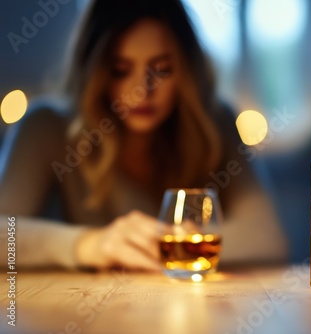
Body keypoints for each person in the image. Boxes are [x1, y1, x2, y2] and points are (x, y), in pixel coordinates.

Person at [0, 0, 287, 271]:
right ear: (95, 71)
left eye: (162, 70)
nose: (142, 89)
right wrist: (90, 244)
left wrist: (166, 241)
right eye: (120, 70)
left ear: (186, 71)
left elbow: (268, 237)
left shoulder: (215, 121)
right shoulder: (46, 126)